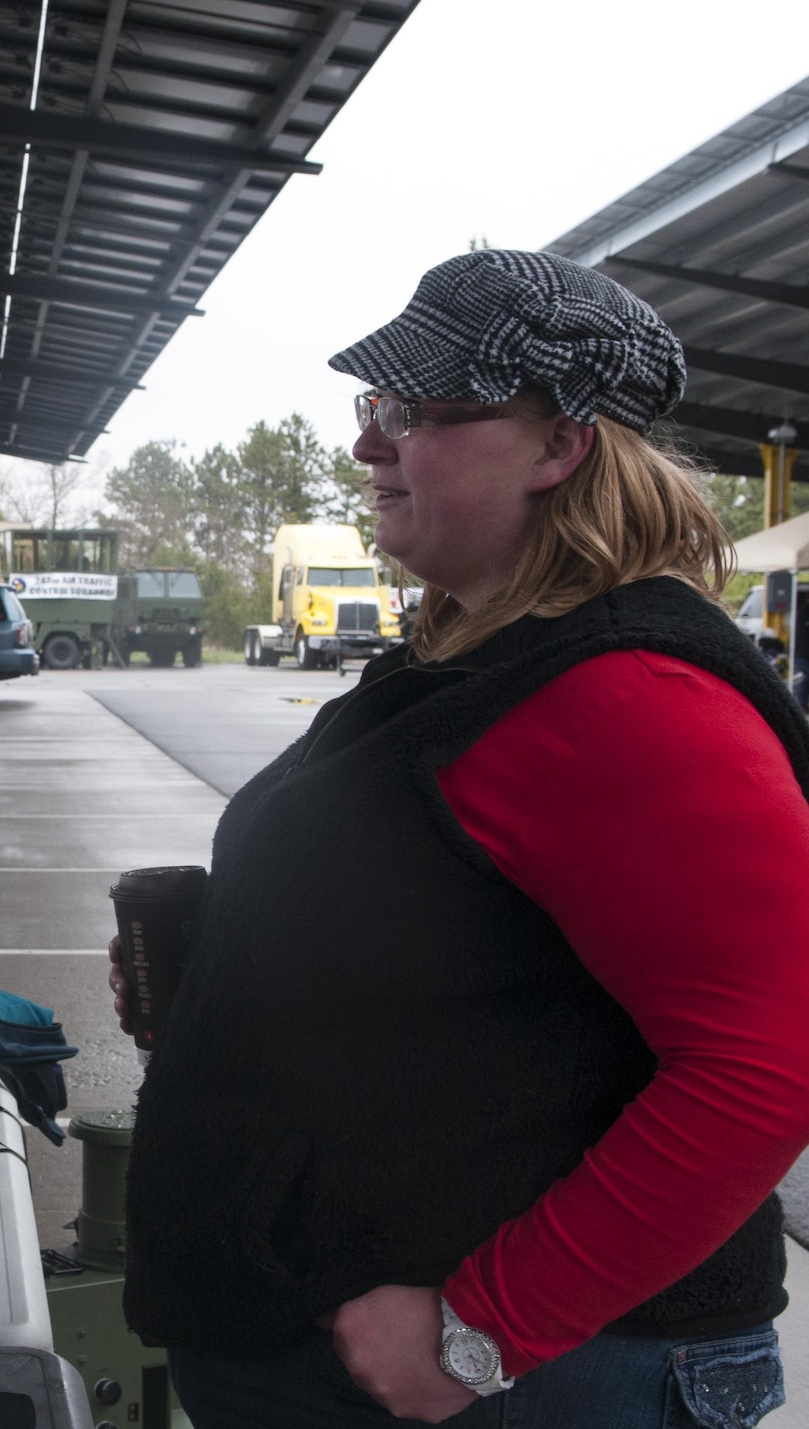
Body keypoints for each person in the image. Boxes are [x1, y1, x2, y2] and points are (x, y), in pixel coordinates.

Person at [112, 250, 809, 1427]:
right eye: (370, 408)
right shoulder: (470, 658)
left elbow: (766, 1066)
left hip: (551, 1377)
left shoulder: (633, 695)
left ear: (560, 446)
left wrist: (483, 1329)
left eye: (415, 411)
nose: (365, 446)